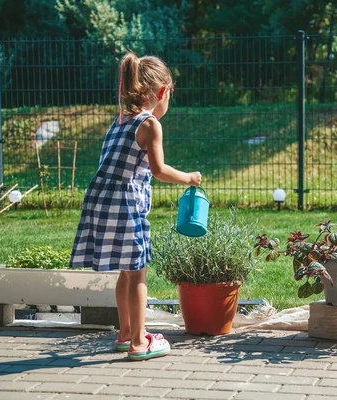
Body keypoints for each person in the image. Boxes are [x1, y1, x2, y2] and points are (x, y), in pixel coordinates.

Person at [70, 52, 202, 361]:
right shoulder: (150, 124)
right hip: (125, 204)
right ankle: (140, 343)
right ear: (160, 93)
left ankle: (125, 333)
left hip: (101, 201)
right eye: (169, 95)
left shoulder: (118, 122)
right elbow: (158, 169)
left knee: (126, 273)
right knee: (139, 273)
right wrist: (189, 178)